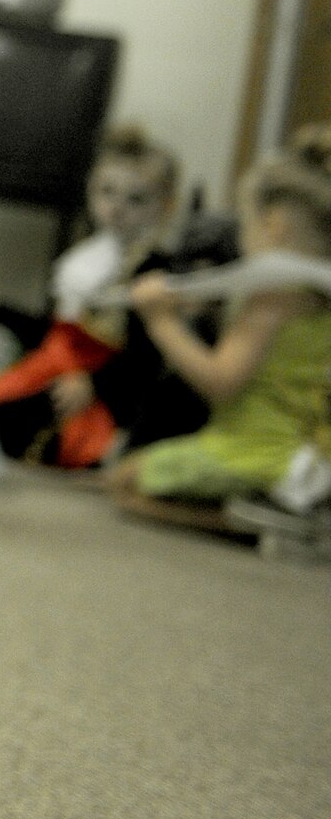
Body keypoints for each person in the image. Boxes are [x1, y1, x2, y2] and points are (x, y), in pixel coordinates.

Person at [109, 127, 331, 536]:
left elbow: (220, 381)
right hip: (305, 455)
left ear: (274, 224)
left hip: (252, 451)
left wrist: (161, 322)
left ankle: (270, 523)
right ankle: (286, 509)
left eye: (245, 225)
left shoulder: (271, 298)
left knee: (126, 480)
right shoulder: (318, 297)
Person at [0, 124, 204, 468]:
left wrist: (92, 384)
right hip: (55, 370)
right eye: (107, 192)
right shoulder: (82, 260)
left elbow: (144, 360)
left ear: (166, 205)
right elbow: (54, 336)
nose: (117, 208)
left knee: (27, 431)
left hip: (109, 392)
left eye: (136, 199)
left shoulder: (154, 268)